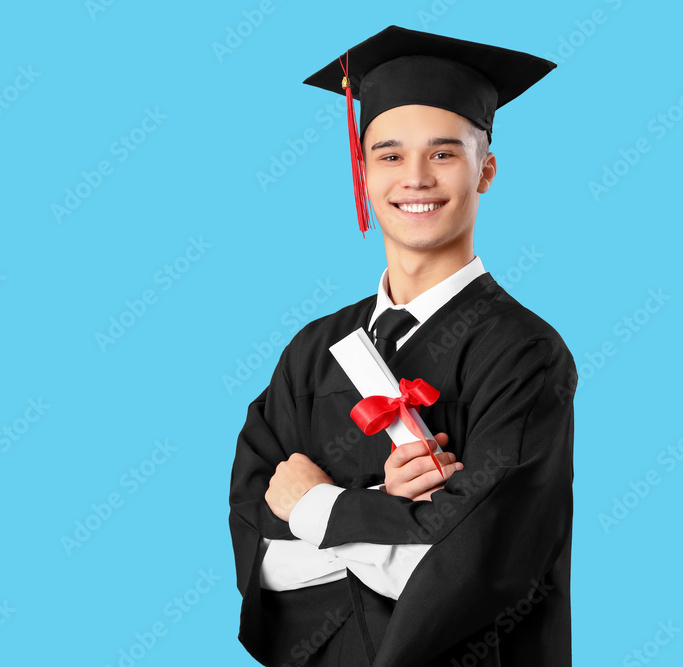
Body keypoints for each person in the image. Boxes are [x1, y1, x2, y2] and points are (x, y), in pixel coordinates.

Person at [229, 25, 576, 667]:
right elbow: (261, 558)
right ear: (363, 171)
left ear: (486, 170)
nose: (414, 178)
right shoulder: (314, 350)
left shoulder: (525, 353)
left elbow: (482, 563)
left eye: (444, 154)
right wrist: (389, 517)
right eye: (389, 155)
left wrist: (318, 506)